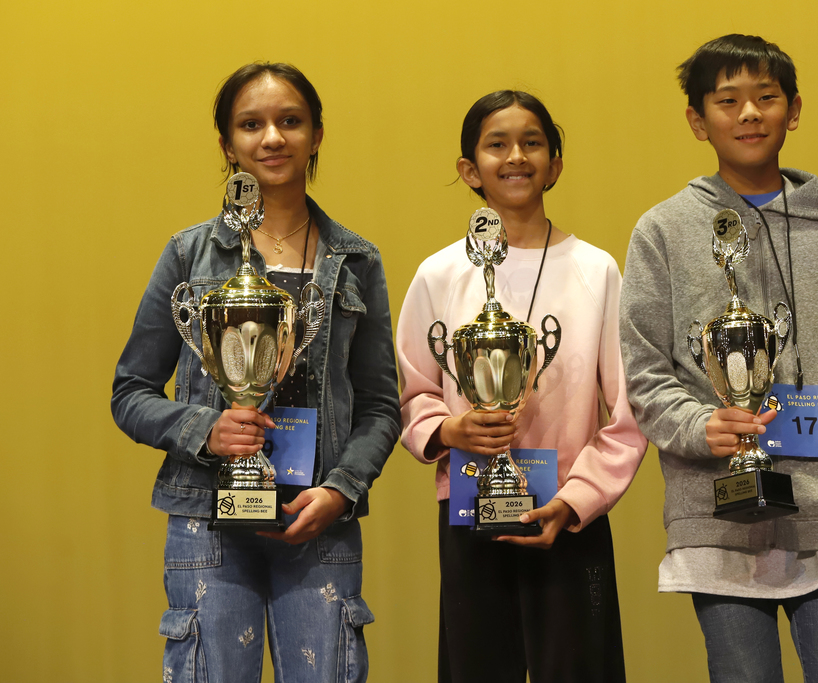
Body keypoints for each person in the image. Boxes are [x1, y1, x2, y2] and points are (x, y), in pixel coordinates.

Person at [619, 35, 818, 683]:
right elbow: (643, 371)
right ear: (698, 120)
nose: (749, 113)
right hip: (718, 516)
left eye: (766, 97)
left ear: (794, 109)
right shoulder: (662, 231)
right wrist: (700, 425)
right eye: (728, 101)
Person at [111, 62, 400, 683]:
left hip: (317, 517)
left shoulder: (356, 260)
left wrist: (341, 490)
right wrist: (204, 429)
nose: (272, 137)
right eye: (251, 124)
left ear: (316, 135)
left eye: (290, 121)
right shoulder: (188, 253)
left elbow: (381, 405)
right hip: (207, 516)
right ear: (227, 143)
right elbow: (130, 392)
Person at [395, 90, 647, 683]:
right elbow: (412, 392)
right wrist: (449, 429)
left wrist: (577, 500)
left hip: (569, 513)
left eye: (532, 143)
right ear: (469, 169)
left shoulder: (596, 270)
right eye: (497, 144)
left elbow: (628, 414)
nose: (516, 156)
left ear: (555, 164)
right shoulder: (439, 273)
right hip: (471, 504)